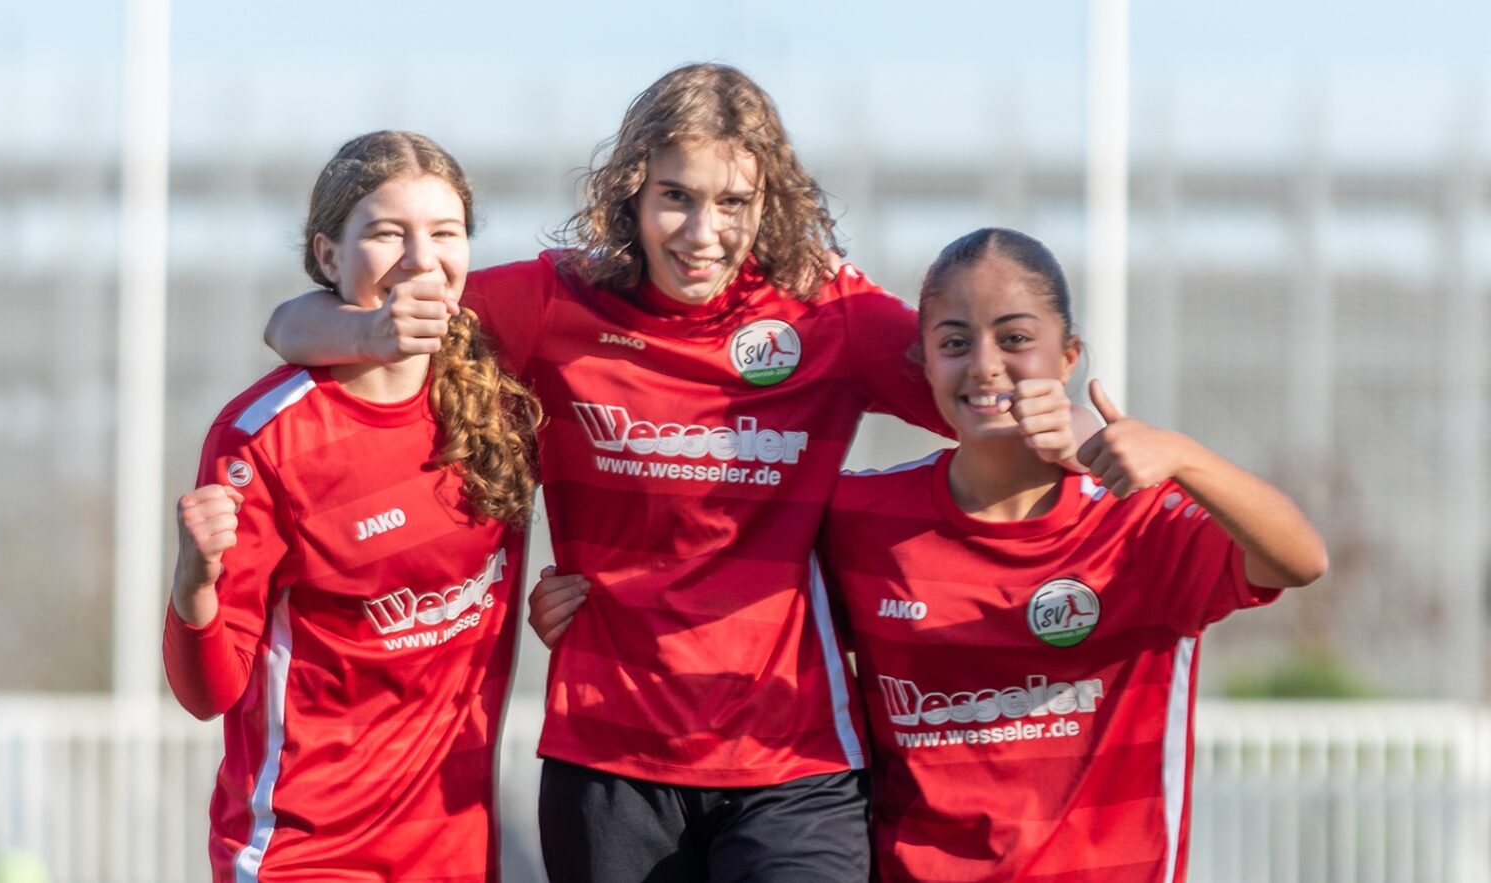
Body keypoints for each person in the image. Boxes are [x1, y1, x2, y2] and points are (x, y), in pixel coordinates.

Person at [265, 64, 1084, 882]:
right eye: (676, 197)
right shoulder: (560, 301)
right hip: (607, 754)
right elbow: (293, 324)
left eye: (733, 202)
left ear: (769, 202)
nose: (703, 232)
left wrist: (1077, 429)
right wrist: (372, 333)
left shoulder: (828, 312)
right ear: (631, 192)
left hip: (793, 762)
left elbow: (980, 393)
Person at [816, 228, 1328, 881]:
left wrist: (1180, 455)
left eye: (1016, 338)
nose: (984, 364)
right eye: (954, 342)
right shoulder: (862, 517)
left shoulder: (1137, 519)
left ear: (1069, 357)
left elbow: (1301, 558)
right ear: (922, 363)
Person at [163, 131, 542, 881]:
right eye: (386, 233)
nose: (420, 259)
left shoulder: (506, 395)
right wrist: (193, 585)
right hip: (305, 854)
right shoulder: (263, 436)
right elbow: (209, 693)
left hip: (456, 855)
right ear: (329, 256)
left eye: (445, 232)